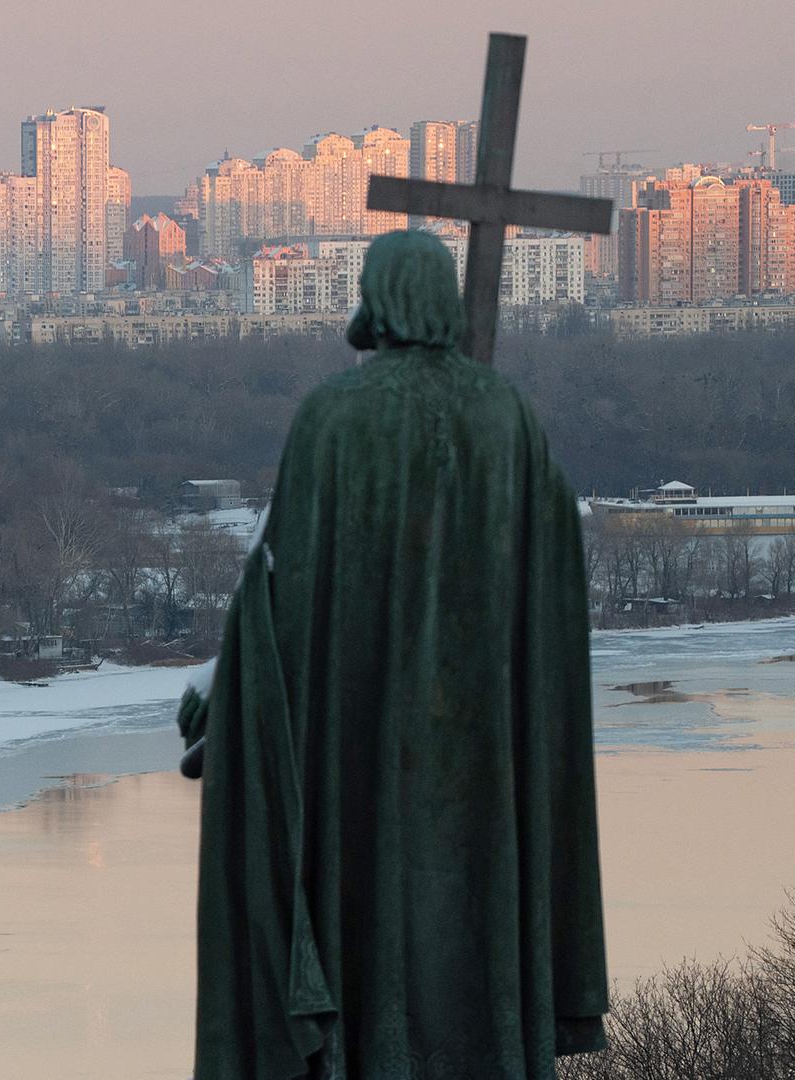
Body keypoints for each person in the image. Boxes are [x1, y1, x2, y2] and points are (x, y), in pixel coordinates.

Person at [177, 230, 607, 1079]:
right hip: (485, 759)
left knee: (366, 924)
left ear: (377, 297)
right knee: (477, 932)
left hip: (361, 750)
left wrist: (229, 700)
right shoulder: (508, 416)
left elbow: (282, 601)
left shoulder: (335, 419)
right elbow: (549, 574)